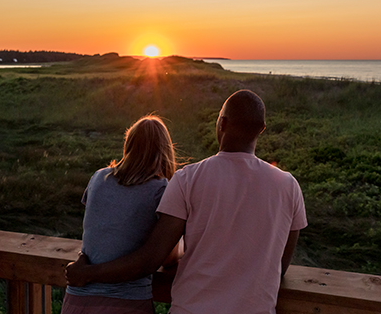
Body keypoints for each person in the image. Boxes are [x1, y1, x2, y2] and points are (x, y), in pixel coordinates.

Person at [66, 90, 308, 314]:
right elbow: (280, 266)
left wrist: (87, 272)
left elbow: (151, 259)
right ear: (262, 129)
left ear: (221, 123)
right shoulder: (289, 186)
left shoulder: (188, 178)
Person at [62, 115, 180, 314]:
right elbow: (168, 257)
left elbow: (102, 230)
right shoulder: (160, 188)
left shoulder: (98, 177)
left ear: (129, 144)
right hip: (125, 302)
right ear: (164, 151)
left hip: (77, 300)